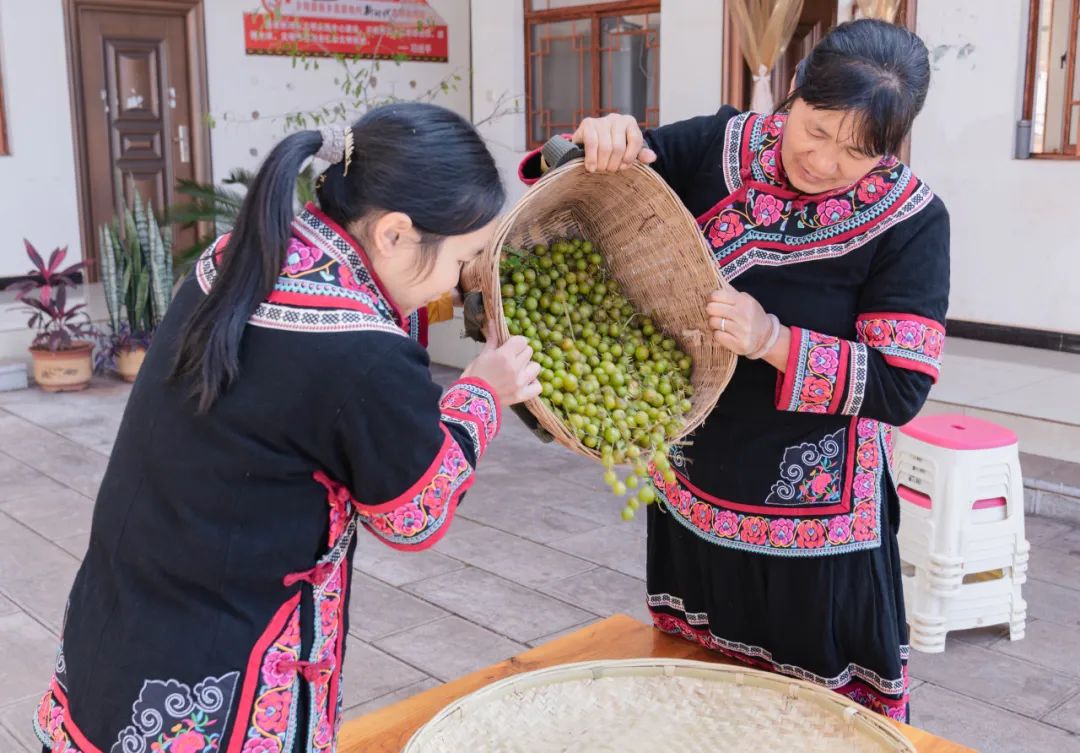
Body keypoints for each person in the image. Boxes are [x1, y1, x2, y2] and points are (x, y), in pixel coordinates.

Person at [34, 102, 541, 752]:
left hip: (124, 615)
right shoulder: (365, 350)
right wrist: (482, 394)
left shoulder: (241, 255)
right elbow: (412, 513)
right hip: (222, 665)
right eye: (461, 257)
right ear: (392, 233)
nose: (460, 280)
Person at [520, 19, 948, 720]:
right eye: (815, 129)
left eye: (856, 151)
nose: (824, 160)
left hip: (816, 531)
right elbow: (564, 174)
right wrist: (599, 135)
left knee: (816, 721)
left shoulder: (911, 220)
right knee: (697, 704)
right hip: (692, 498)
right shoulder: (721, 146)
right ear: (793, 94)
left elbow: (901, 387)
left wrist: (773, 338)